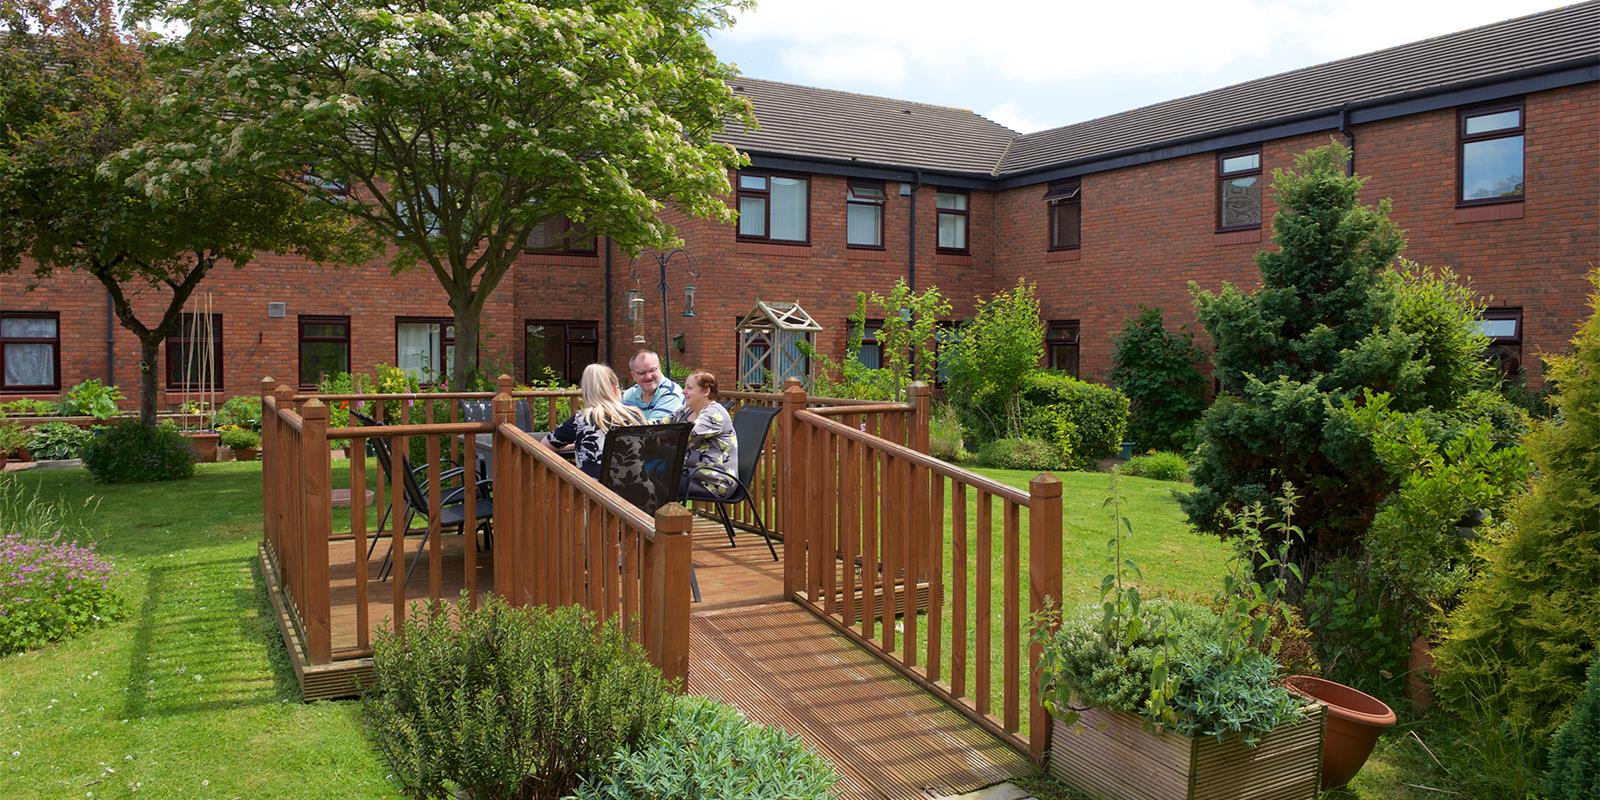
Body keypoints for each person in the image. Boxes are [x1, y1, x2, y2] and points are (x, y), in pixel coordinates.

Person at [545, 364, 644, 478]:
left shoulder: (581, 420)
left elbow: (542, 448)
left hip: (594, 493)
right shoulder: (635, 415)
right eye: (618, 387)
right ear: (613, 389)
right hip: (638, 491)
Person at [670, 370, 739, 498]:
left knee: (655, 482)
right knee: (650, 476)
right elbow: (660, 423)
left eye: (689, 388)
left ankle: (654, 518)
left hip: (715, 483)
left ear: (706, 391)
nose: (683, 391)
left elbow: (686, 436)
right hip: (691, 475)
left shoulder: (715, 414)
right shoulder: (686, 412)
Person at [621, 349, 683, 422]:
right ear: (633, 376)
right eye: (642, 373)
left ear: (659, 368)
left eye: (652, 370)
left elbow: (654, 430)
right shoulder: (628, 395)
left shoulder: (671, 393)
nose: (648, 376)